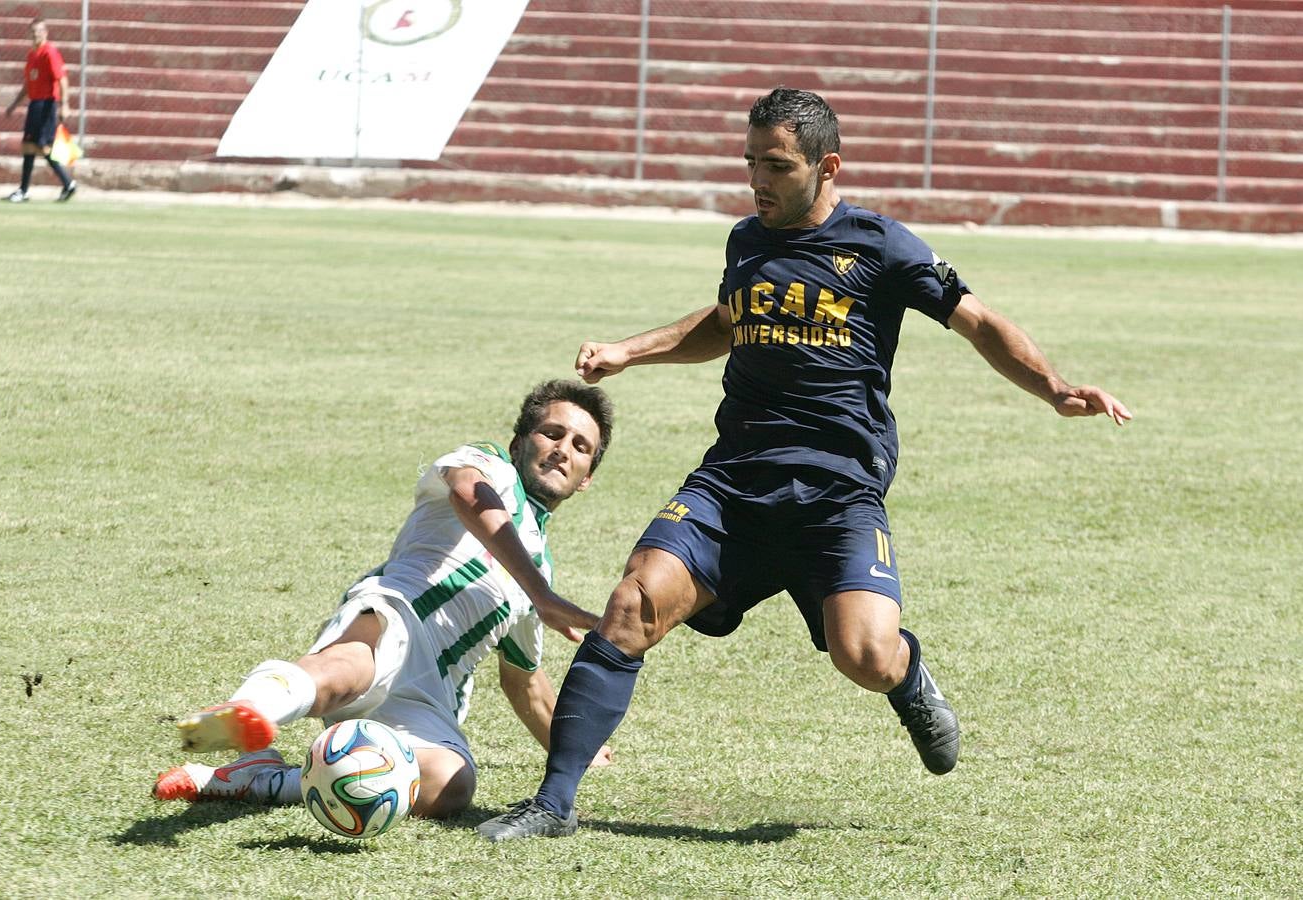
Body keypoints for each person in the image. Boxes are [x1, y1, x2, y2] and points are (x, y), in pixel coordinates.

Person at [478, 88, 1133, 842]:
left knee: (865, 656)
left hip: (837, 494)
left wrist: (1054, 388)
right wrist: (632, 350)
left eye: (778, 166)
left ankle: (907, 676)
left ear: (827, 167)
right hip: (734, 482)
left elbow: (977, 320)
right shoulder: (746, 241)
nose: (758, 180)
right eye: (751, 161)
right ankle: (554, 804)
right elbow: (729, 321)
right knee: (631, 607)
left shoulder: (882, 245)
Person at [153, 380, 616, 819]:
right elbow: (466, 492)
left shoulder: (541, 570)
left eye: (580, 446)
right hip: (397, 614)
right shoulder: (489, 465)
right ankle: (252, 708)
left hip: (431, 696)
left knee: (450, 785)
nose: (563, 449)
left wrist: (577, 750)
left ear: (586, 479)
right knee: (349, 667)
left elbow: (525, 682)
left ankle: (264, 778)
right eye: (552, 433)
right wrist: (541, 593)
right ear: (518, 443)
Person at [3, 18, 77, 203]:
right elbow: (29, 84)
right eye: (33, 31)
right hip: (35, 104)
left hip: (46, 105)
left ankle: (67, 183)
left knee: (43, 147)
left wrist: (65, 104)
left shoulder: (49, 52)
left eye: (39, 30)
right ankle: (25, 190)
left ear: (46, 32)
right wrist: (14, 104)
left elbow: (62, 79)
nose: (36, 34)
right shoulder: (32, 55)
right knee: (29, 145)